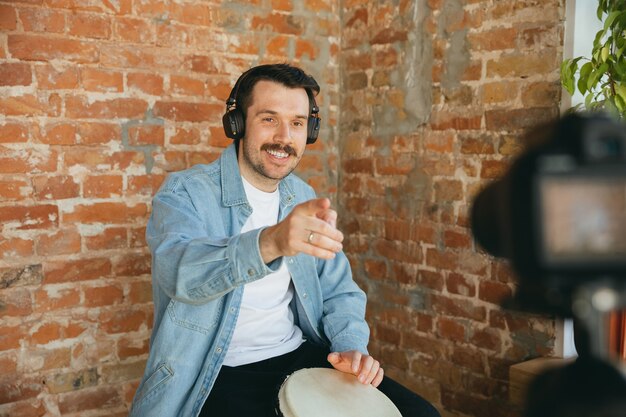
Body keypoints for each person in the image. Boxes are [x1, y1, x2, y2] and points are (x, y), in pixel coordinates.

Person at [129, 63, 440, 417]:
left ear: (311, 130)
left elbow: (340, 290)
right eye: (268, 119)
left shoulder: (302, 196)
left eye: (297, 123)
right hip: (217, 371)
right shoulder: (184, 193)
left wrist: (351, 346)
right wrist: (271, 242)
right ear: (238, 123)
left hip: (297, 354)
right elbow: (179, 274)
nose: (284, 137)